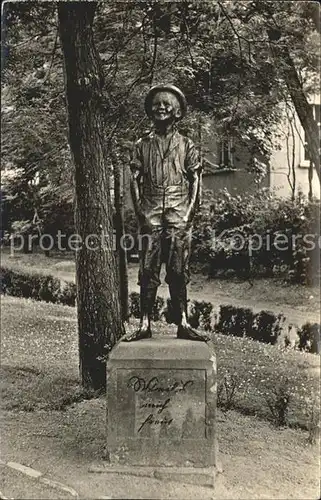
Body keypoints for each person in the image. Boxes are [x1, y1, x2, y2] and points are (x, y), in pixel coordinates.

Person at [123, 84, 209, 342]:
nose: (161, 107)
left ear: (178, 111)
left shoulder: (187, 145)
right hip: (150, 211)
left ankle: (182, 322)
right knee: (147, 271)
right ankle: (144, 323)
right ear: (150, 110)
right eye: (156, 103)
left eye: (166, 103)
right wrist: (140, 211)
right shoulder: (141, 145)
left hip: (178, 210)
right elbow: (135, 180)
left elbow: (195, 179)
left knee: (178, 271)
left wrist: (189, 212)